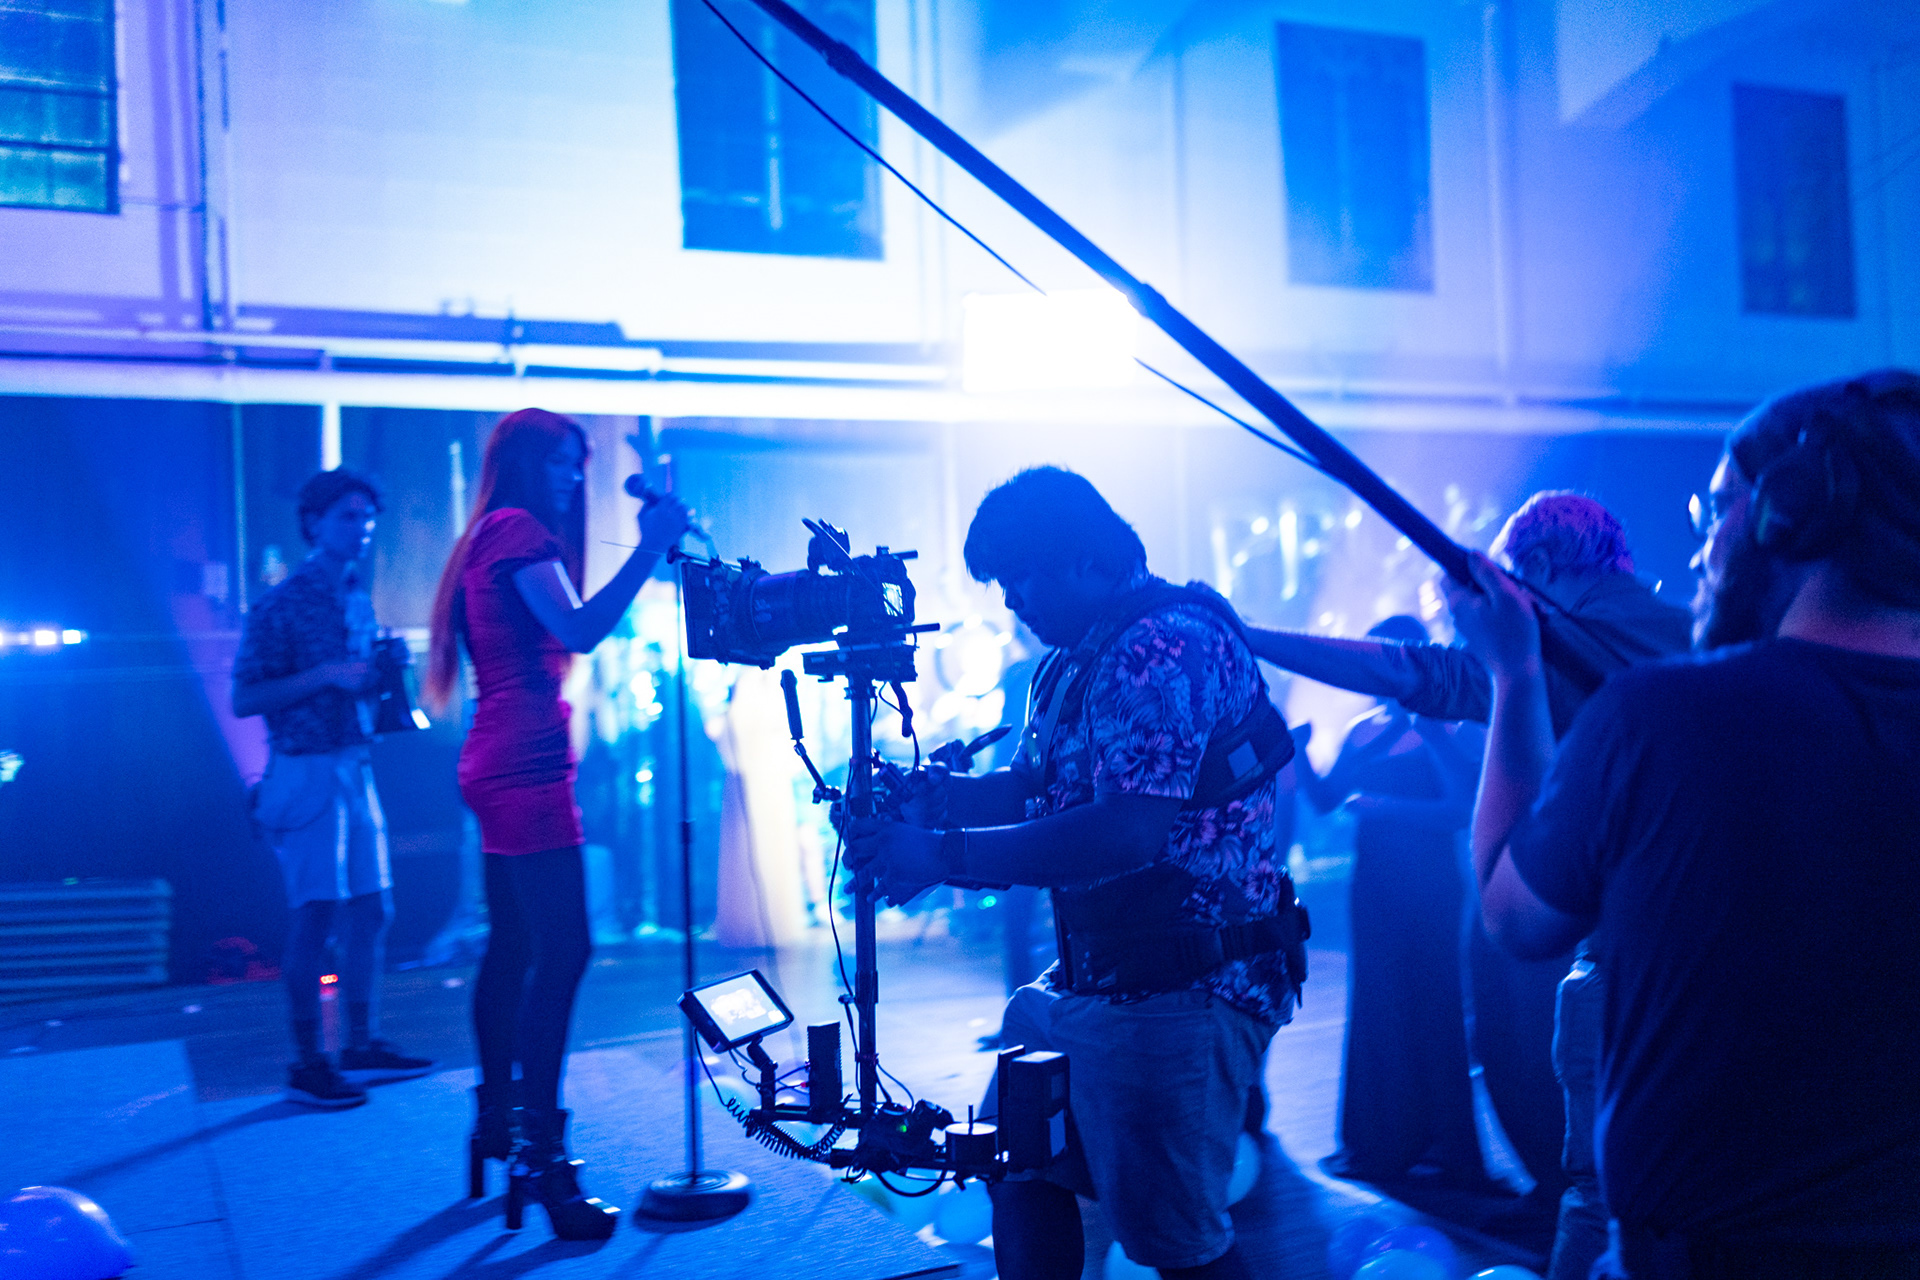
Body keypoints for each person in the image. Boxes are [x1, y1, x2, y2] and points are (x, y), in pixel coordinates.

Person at [1456, 370, 1920, 1279]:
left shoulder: (1660, 720)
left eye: (1718, 508)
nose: (1704, 545)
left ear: (1792, 513)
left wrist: (1513, 673)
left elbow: (1514, 914)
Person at [848, 467, 1306, 1280]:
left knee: (1180, 1247)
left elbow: (1125, 832)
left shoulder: (1163, 646)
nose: (1011, 601)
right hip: (1101, 976)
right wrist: (935, 800)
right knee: (1020, 1165)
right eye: (1002, 583)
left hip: (1182, 986)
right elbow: (1035, 788)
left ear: (1088, 558)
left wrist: (944, 855)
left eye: (1023, 576)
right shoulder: (1076, 659)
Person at [1250, 493, 1691, 1279]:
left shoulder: (1548, 652)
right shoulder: (1703, 631)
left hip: (1608, 943)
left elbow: (1410, 671)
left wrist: (1249, 635)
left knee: (1600, 1189)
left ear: (1540, 568)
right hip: (1705, 954)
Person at [425, 409, 690, 1240]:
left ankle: (496, 1126)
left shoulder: (489, 533)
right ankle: (542, 1158)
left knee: (514, 948)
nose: (578, 477)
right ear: (527, 463)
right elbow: (579, 629)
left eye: (581, 462)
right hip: (524, 765)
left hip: (501, 755)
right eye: (564, 462)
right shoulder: (516, 530)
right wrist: (649, 550)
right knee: (564, 950)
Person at [233, 469, 435, 1109]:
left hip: (352, 762)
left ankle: (360, 1043)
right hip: (305, 769)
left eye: (368, 517)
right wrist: (326, 674)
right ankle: (307, 1062)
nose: (363, 527)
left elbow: (354, 683)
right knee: (316, 915)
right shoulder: (281, 603)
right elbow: (244, 697)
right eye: (349, 515)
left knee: (373, 908)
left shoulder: (354, 596)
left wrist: (383, 672)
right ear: (313, 523)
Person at [1300, 616, 1487, 1191]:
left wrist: (1385, 808)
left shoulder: (1443, 729)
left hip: (1430, 886)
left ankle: (1447, 1148)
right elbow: (1327, 800)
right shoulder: (1362, 730)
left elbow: (1463, 809)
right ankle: (1384, 1142)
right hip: (1375, 886)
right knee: (1379, 1005)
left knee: (1435, 1006)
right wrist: (1296, 754)